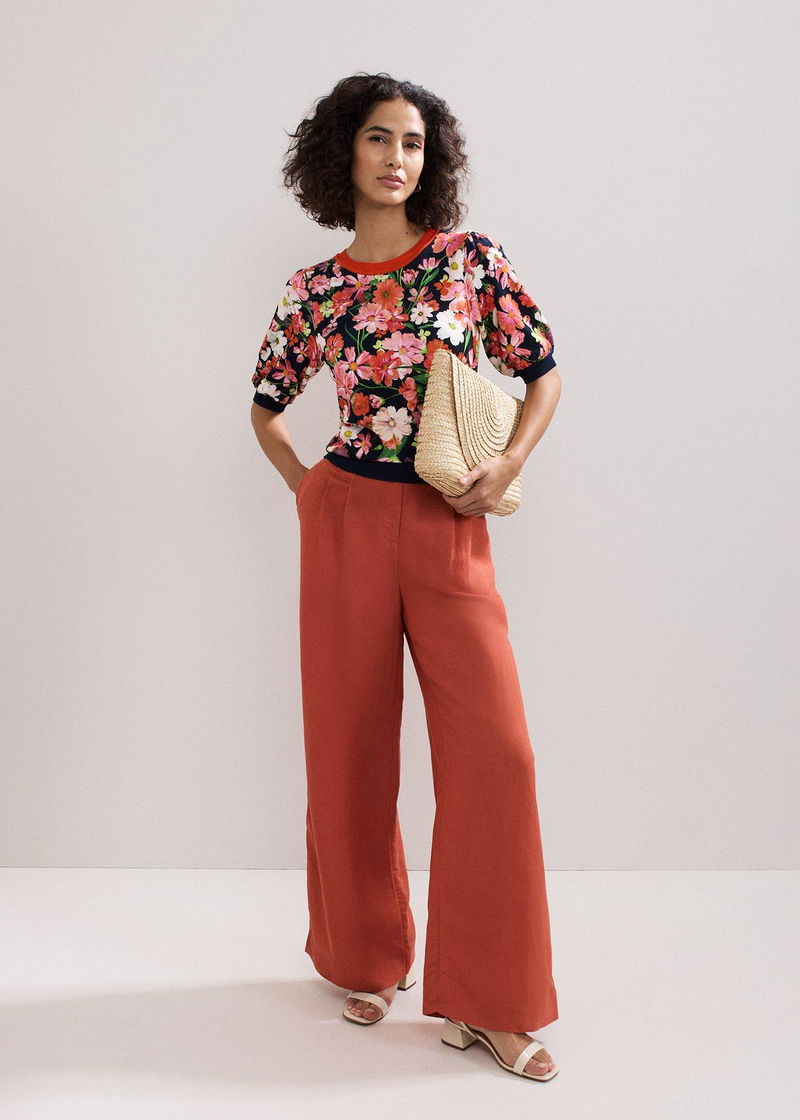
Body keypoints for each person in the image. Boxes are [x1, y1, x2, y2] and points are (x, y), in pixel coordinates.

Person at [249, 72, 562, 1083]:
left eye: (415, 143)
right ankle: (364, 957)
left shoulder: (468, 261)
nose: (397, 158)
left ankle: (492, 1001)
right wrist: (310, 488)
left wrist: (507, 463)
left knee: (497, 754)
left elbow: (543, 371)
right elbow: (265, 406)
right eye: (379, 138)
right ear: (343, 151)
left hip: (446, 519)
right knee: (347, 742)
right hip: (344, 517)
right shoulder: (313, 289)